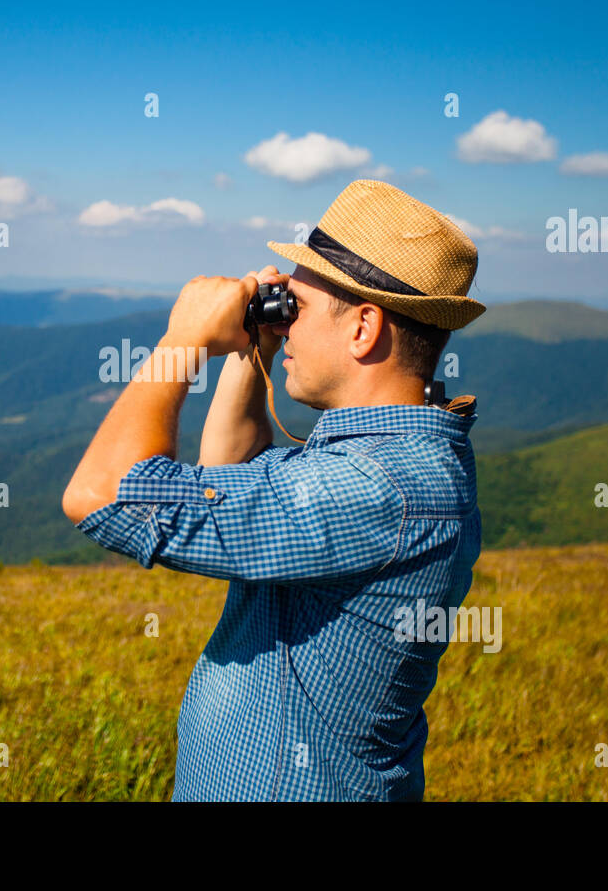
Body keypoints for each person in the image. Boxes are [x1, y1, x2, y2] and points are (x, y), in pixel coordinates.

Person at [62, 179, 486, 800]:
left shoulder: (379, 486)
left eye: (298, 307)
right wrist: (253, 351)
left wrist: (181, 345)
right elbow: (229, 472)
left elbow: (103, 495)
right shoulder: (385, 460)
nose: (284, 323)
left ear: (364, 327)